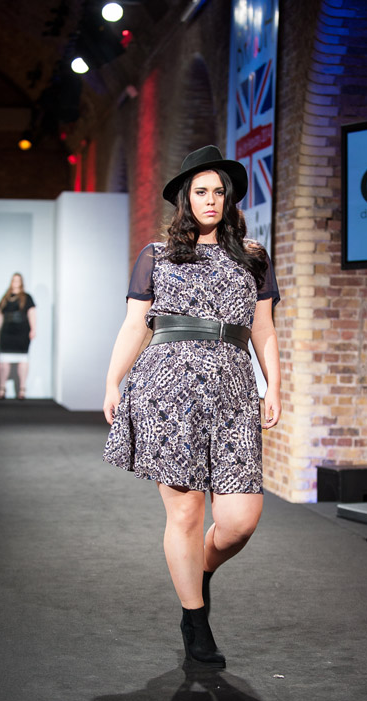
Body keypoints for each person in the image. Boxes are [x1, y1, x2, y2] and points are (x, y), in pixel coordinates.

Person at [103, 145, 281, 668]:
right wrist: (112, 381)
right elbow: (135, 325)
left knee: (240, 520)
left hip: (233, 391)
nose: (211, 200)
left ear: (229, 200)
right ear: (185, 198)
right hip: (168, 387)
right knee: (185, 512)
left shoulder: (253, 257)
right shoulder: (156, 256)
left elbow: (264, 329)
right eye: (201, 191)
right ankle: (195, 619)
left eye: (219, 192)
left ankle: (198, 574)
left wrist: (274, 385)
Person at [0, 273, 36, 400]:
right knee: (3, 361)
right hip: (7, 331)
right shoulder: (6, 298)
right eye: (14, 280)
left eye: (18, 280)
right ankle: (2, 388)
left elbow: (32, 313)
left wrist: (33, 329)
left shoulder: (27, 297)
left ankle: (22, 389)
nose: (16, 282)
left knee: (23, 360)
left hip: (21, 331)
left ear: (21, 282)